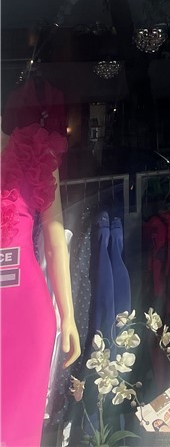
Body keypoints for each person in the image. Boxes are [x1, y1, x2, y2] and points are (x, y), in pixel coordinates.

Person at [1, 120, 81, 446]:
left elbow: (55, 240)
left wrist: (68, 315)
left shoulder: (35, 152)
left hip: (27, 319)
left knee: (20, 433)